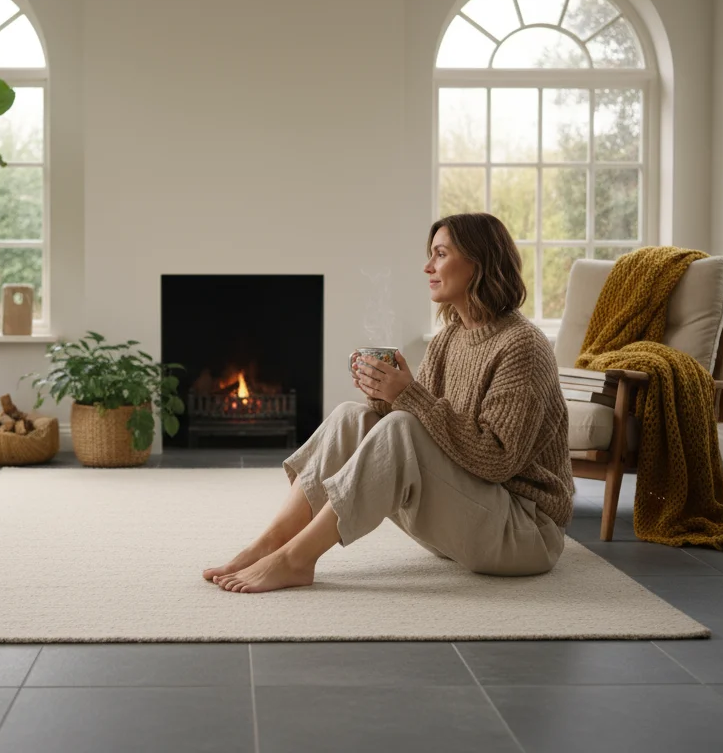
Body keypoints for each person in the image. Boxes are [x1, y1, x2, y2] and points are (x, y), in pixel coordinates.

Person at [203, 213, 574, 593]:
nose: (427, 266)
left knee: (401, 427)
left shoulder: (522, 346)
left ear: (479, 263)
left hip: (523, 532)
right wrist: (382, 391)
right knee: (352, 416)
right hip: (468, 520)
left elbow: (496, 461)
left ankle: (296, 560)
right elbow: (424, 426)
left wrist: (407, 394)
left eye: (440, 254)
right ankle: (269, 543)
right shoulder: (450, 338)